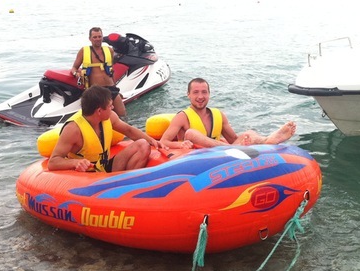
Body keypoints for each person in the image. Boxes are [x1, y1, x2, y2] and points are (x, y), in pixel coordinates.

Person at [48, 86, 164, 172]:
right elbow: (53, 162)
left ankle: (126, 186)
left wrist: (152, 141)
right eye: (110, 106)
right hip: (86, 175)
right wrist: (75, 162)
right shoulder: (73, 129)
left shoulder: (110, 117)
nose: (113, 107)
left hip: (104, 167)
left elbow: (129, 130)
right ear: (99, 111)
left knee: (143, 144)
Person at [160, 78, 296, 150]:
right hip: (193, 155)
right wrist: (180, 145)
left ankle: (267, 140)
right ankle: (234, 149)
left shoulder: (218, 115)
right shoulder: (182, 117)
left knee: (248, 133)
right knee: (190, 133)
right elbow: (163, 142)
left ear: (209, 94)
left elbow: (233, 139)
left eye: (204, 92)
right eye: (195, 92)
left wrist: (247, 140)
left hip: (219, 153)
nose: (200, 96)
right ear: (188, 95)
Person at [70, 27, 127, 117]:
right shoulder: (84, 51)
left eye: (99, 36)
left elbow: (111, 70)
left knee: (122, 114)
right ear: (90, 38)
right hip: (96, 91)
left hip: (111, 88)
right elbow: (74, 68)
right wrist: (76, 74)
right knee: (101, 116)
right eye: (95, 37)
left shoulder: (109, 50)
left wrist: (116, 88)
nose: (97, 39)